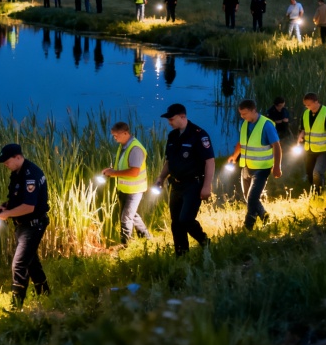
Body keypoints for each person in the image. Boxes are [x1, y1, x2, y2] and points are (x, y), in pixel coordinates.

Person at [0, 144, 51, 309]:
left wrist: (8, 214)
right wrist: (6, 206)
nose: (5, 164)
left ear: (18, 157)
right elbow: (19, 198)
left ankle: (16, 306)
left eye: (7, 161)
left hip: (33, 225)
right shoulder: (17, 173)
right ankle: (46, 295)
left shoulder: (30, 174)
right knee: (31, 262)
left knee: (19, 264)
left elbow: (28, 207)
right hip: (23, 225)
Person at [153, 104, 214, 255]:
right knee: (176, 223)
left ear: (183, 116)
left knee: (186, 219)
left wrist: (207, 186)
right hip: (176, 185)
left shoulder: (198, 134)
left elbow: (210, 162)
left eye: (172, 119)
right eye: (168, 119)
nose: (169, 122)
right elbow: (169, 161)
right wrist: (161, 177)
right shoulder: (172, 136)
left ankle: (205, 242)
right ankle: (181, 254)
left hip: (193, 184)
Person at [226, 100, 283, 230]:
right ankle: (264, 216)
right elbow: (241, 143)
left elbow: (277, 146)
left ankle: (248, 227)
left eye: (244, 113)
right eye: (241, 114)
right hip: (246, 166)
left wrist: (277, 166)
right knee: (248, 197)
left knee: (252, 198)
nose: (242, 116)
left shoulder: (267, 125)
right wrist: (234, 156)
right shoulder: (244, 124)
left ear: (253, 110)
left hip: (262, 168)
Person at [101, 122, 152, 244]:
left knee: (125, 218)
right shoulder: (124, 146)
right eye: (113, 135)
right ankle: (146, 238)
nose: (114, 138)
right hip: (125, 189)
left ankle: (125, 245)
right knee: (131, 215)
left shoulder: (135, 149)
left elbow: (134, 172)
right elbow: (123, 166)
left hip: (134, 190)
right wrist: (111, 171)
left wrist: (113, 173)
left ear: (125, 133)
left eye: (116, 135)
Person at [296, 93, 326, 194]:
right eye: (305, 105)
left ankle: (318, 193)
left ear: (316, 102)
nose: (307, 107)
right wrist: (300, 136)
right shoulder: (305, 113)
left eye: (309, 105)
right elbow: (303, 129)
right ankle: (316, 189)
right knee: (309, 173)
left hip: (323, 149)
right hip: (309, 149)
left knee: (317, 172)